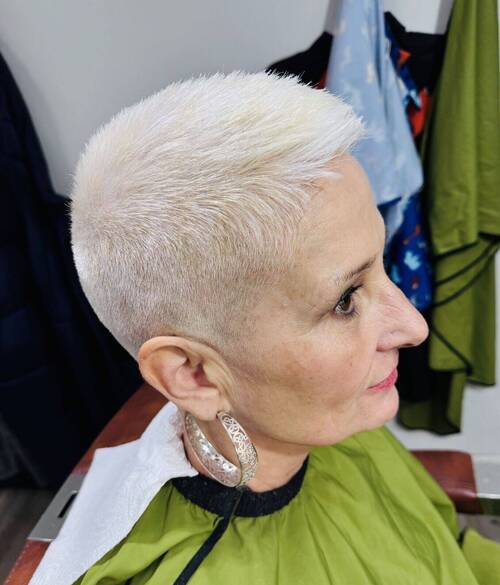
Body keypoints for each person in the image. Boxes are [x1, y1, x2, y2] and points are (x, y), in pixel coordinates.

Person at [30, 71, 500, 585]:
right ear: (194, 375)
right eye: (345, 301)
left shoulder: (335, 425)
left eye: (380, 263)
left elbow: (443, 550)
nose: (413, 327)